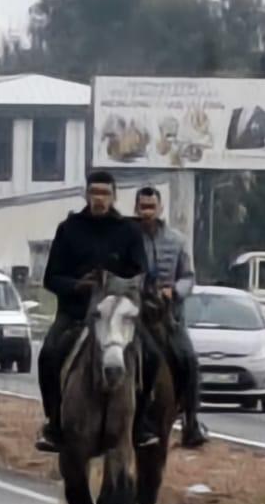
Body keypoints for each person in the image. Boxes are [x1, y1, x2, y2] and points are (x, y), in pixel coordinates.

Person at [35, 170, 158, 454]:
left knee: (151, 355)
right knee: (49, 354)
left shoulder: (128, 231)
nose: (99, 199)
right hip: (77, 313)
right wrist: (78, 285)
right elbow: (51, 278)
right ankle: (54, 423)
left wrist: (121, 288)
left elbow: (141, 274)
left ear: (114, 196)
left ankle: (141, 424)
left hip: (118, 315)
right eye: (94, 193)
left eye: (104, 193)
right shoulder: (69, 229)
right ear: (86, 195)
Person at [135, 185, 208, 449]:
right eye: (143, 207)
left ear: (160, 208)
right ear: (136, 209)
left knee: (189, 360)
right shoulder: (127, 238)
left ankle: (191, 421)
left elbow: (188, 277)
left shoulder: (176, 240)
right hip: (135, 316)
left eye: (151, 207)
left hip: (168, 318)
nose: (147, 212)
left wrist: (174, 291)